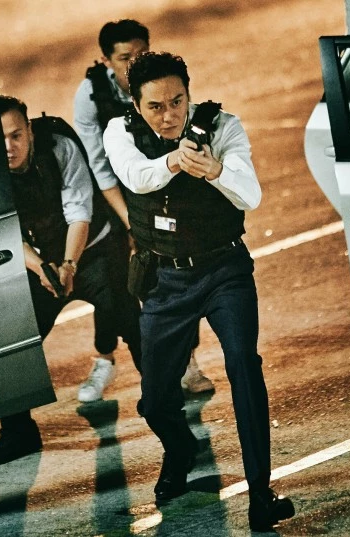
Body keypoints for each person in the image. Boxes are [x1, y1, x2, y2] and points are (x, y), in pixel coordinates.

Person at [103, 52, 295, 531]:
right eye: (155, 107)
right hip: (164, 280)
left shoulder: (224, 127)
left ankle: (260, 494)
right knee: (154, 399)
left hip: (223, 269)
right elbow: (136, 177)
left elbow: (251, 195)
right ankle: (180, 449)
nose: (169, 115)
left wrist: (214, 170)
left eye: (177, 102)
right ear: (135, 104)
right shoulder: (119, 131)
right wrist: (175, 160)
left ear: (189, 95)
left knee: (244, 367)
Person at [0, 95, 142, 466]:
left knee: (132, 320)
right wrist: (42, 268)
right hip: (37, 260)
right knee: (13, 340)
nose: (9, 146)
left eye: (16, 135)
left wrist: (68, 265)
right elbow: (5, 231)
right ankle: (19, 432)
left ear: (30, 130)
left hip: (90, 249)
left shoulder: (60, 148)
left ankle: (164, 400)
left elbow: (79, 212)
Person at [74, 19, 215, 394]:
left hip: (163, 180)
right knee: (115, 278)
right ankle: (104, 358)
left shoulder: (162, 82)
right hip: (113, 194)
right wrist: (131, 222)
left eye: (141, 53)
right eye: (125, 58)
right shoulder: (89, 95)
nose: (134, 63)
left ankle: (187, 362)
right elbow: (99, 167)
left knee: (179, 265)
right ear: (106, 60)